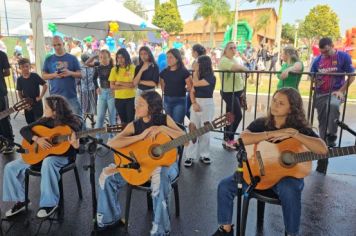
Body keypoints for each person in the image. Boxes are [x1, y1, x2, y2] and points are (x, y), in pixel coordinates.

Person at [212, 88, 328, 236]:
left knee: (289, 189)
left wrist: (296, 134)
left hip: (285, 179)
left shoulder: (301, 129)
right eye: (274, 100)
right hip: (256, 173)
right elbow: (242, 139)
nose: (275, 105)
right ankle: (225, 229)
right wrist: (272, 134)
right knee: (224, 186)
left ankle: (292, 233)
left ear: (292, 108)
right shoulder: (262, 123)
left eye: (281, 103)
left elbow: (322, 149)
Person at [96, 91, 185, 235]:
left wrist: (164, 129)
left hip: (166, 166)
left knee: (159, 177)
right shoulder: (135, 124)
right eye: (136, 103)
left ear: (151, 107)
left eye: (140, 104)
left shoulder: (164, 119)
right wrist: (140, 137)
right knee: (106, 175)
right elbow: (113, 142)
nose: (136, 107)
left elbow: (185, 140)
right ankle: (109, 219)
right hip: (141, 167)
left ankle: (160, 231)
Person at [2, 95, 81, 219]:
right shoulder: (45, 120)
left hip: (62, 157)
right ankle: (21, 201)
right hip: (41, 155)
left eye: (46, 108)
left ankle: (49, 204)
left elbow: (80, 147)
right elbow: (24, 129)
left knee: (49, 162)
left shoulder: (72, 123)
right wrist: (37, 138)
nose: (44, 111)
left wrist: (76, 145)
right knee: (10, 167)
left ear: (55, 112)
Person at [310, 37, 355, 174]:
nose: (324, 54)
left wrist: (341, 91)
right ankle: (322, 162)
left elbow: (352, 75)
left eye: (326, 51)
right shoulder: (318, 59)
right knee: (322, 125)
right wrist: (315, 81)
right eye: (322, 52)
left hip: (335, 92)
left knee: (333, 105)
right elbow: (312, 75)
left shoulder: (343, 57)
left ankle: (333, 136)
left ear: (332, 46)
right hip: (320, 94)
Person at [184, 55, 216, 166]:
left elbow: (195, 84)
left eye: (197, 63)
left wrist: (195, 71)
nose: (195, 64)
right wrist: (194, 103)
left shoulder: (211, 77)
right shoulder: (196, 76)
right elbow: (192, 90)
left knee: (205, 130)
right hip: (197, 102)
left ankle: (205, 154)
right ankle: (190, 156)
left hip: (207, 104)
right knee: (193, 129)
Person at [218, 41, 248, 150]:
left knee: (230, 116)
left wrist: (243, 91)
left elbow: (239, 73)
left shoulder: (234, 59)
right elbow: (236, 68)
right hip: (229, 92)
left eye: (235, 48)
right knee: (238, 115)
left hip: (237, 91)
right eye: (231, 48)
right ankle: (230, 138)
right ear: (225, 50)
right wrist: (245, 69)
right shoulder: (224, 61)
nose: (233, 50)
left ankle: (226, 139)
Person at [42, 36, 82, 116]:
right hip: (55, 97)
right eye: (54, 45)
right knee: (58, 123)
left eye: (59, 44)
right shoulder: (48, 59)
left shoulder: (72, 58)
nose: (57, 47)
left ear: (63, 44)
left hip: (71, 96)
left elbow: (81, 74)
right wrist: (54, 75)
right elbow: (44, 76)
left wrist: (70, 73)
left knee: (77, 122)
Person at [86, 49, 116, 139]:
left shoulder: (113, 67)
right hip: (102, 93)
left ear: (109, 58)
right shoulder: (98, 66)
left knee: (112, 117)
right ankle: (97, 137)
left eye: (105, 57)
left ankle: (112, 137)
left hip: (112, 93)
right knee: (99, 117)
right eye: (101, 57)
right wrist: (97, 87)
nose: (103, 59)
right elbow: (93, 76)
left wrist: (115, 89)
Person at [160, 48, 191, 124]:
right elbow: (162, 86)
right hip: (167, 100)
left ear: (177, 59)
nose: (168, 59)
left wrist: (181, 90)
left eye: (171, 57)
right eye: (167, 57)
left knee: (177, 124)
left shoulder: (184, 72)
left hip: (179, 101)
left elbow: (190, 86)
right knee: (169, 124)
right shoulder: (164, 72)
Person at [16, 58, 48, 124]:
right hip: (27, 105)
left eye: (26, 66)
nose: (25, 68)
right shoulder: (19, 79)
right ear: (20, 68)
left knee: (38, 122)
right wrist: (23, 102)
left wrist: (40, 97)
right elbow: (19, 92)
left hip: (37, 104)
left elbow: (45, 85)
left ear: (30, 66)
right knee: (30, 123)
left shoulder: (35, 76)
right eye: (22, 67)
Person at [109, 48, 136, 123]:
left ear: (126, 57)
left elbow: (133, 84)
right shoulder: (114, 70)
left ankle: (131, 135)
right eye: (118, 57)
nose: (120, 59)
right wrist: (127, 86)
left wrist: (120, 82)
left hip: (131, 98)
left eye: (122, 57)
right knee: (123, 121)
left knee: (131, 121)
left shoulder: (132, 68)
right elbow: (112, 86)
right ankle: (125, 134)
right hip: (119, 99)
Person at [186, 44, 206, 119]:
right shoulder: (203, 60)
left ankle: (195, 123)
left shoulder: (197, 62)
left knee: (187, 108)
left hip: (195, 88)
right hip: (199, 87)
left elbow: (194, 76)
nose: (191, 53)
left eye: (192, 51)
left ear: (195, 52)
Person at [0, 50, 15, 154]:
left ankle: (10, 143)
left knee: (4, 117)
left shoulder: (2, 54)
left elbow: (8, 72)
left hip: (1, 92)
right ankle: (1, 142)